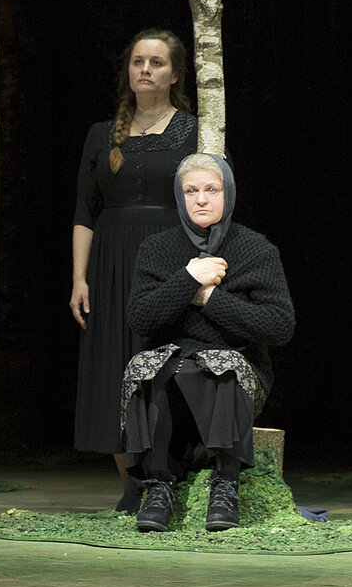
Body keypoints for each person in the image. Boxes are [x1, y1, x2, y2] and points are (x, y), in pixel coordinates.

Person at [122, 154, 294, 532]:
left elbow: (279, 327)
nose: (201, 199)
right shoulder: (156, 249)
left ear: (227, 193)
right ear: (179, 196)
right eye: (191, 191)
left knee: (221, 364)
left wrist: (209, 299)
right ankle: (158, 487)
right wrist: (188, 278)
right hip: (172, 361)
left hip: (238, 365)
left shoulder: (256, 250)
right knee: (146, 367)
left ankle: (224, 485)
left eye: (211, 189)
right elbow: (140, 318)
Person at [70, 29, 199, 508]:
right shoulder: (102, 134)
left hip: (170, 260)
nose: (145, 69)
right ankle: (132, 486)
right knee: (115, 366)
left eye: (157, 62)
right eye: (138, 61)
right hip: (110, 263)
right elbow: (85, 212)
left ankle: (168, 478)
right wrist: (79, 278)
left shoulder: (195, 131)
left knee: (163, 365)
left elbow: (210, 202)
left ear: (175, 74)